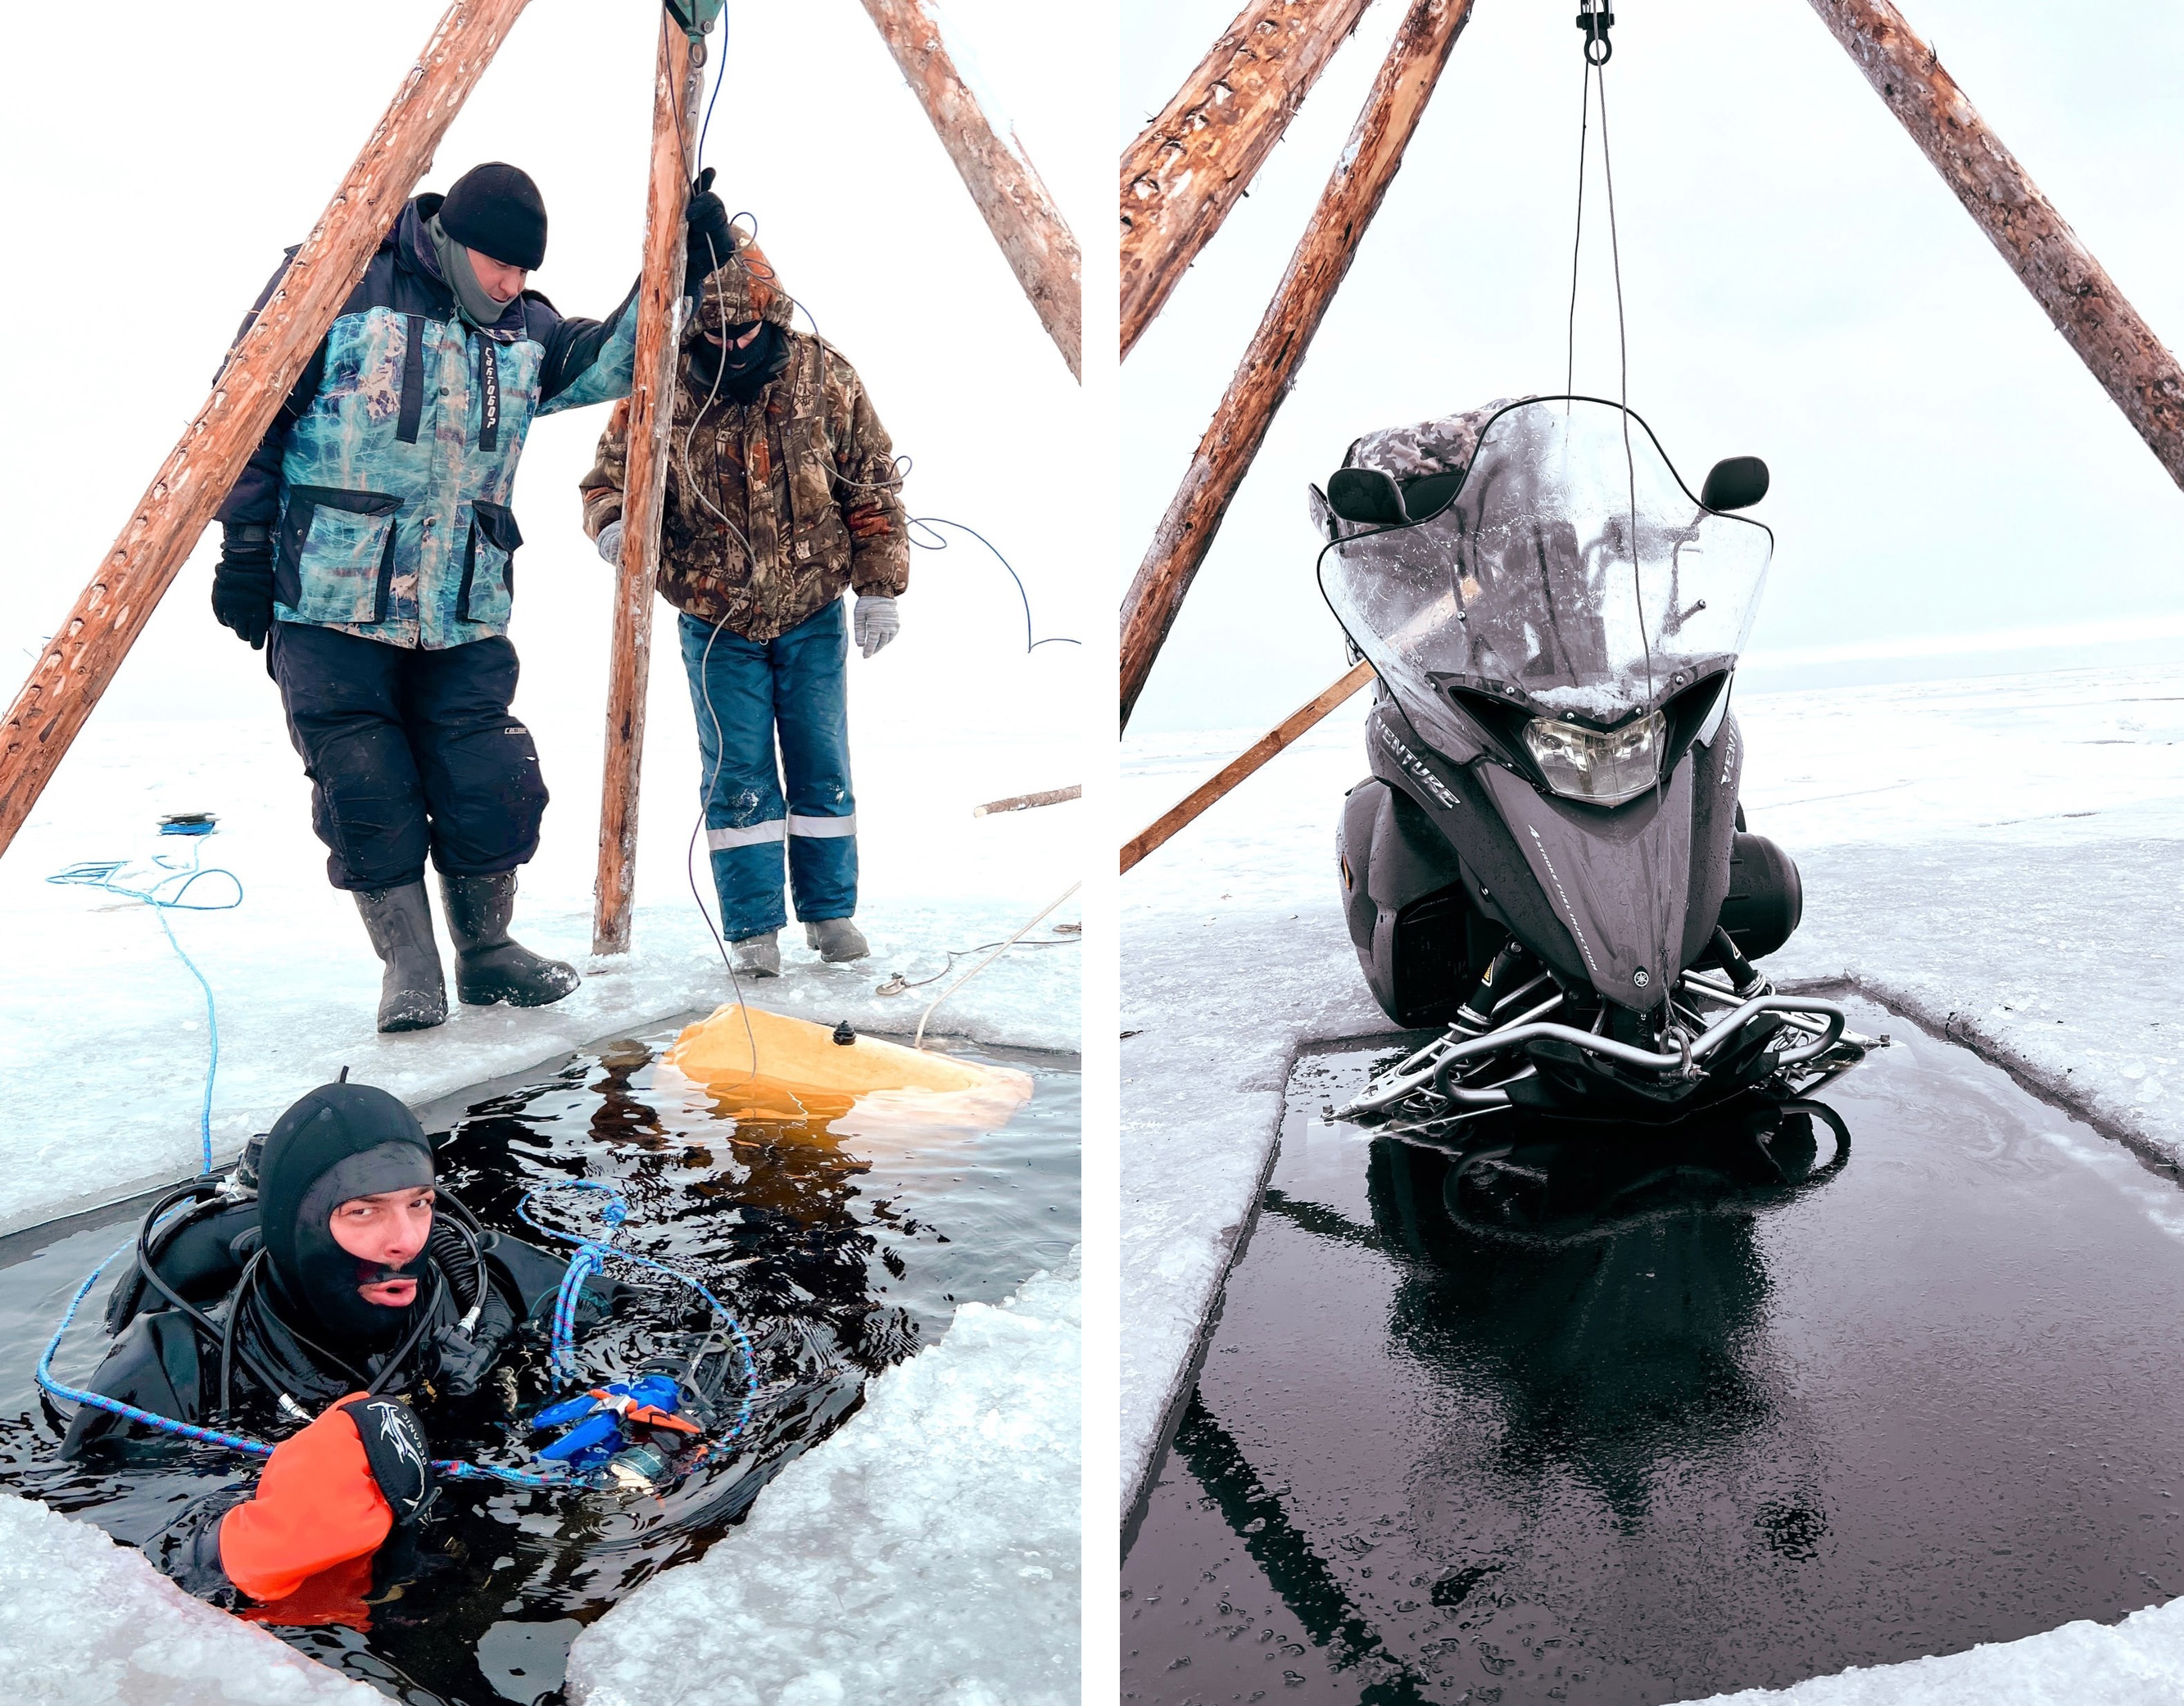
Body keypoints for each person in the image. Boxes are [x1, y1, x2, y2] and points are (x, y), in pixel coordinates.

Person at [211, 163, 737, 1031]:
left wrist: (677, 269)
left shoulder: (522, 330)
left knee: (492, 779)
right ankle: (410, 966)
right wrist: (246, 543)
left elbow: (616, 360)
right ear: (451, 242)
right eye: (500, 265)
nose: (513, 283)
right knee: (364, 786)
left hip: (464, 607)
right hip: (332, 597)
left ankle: (487, 952)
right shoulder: (342, 281)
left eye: (525, 272)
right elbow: (243, 411)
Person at [60, 1079, 582, 1618]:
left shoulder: (475, 1282)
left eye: (419, 1203)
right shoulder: (173, 1359)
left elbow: (644, 1313)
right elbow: (74, 1533)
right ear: (295, 1226)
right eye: (364, 1212)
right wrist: (228, 1543)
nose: (406, 1240)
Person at [578, 224, 908, 979]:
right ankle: (754, 930)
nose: (731, 345)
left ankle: (830, 916)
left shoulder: (825, 377)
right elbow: (604, 481)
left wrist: (880, 588)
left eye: (745, 329)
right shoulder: (660, 388)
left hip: (812, 612)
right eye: (713, 333)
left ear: (772, 316)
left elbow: (873, 480)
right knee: (739, 774)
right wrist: (615, 526)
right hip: (714, 619)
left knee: (822, 764)